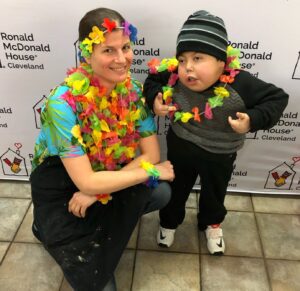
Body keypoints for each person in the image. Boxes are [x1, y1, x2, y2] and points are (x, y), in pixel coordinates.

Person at [30, 7, 174, 291]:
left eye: (126, 47)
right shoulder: (62, 104)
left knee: (161, 192)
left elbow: (152, 155)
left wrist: (97, 192)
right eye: (109, 50)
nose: (122, 59)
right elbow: (85, 179)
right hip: (59, 182)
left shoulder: (133, 91)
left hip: (101, 176)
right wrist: (148, 171)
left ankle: (95, 212)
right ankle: (43, 226)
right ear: (87, 53)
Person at [143, 10, 289, 255]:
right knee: (175, 188)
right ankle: (168, 222)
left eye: (198, 58)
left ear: (222, 62)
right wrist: (154, 99)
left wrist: (252, 119)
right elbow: (152, 81)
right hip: (181, 145)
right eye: (182, 59)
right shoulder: (174, 74)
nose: (187, 67)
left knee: (215, 191)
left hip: (220, 153)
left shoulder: (240, 83)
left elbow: (277, 98)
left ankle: (211, 224)